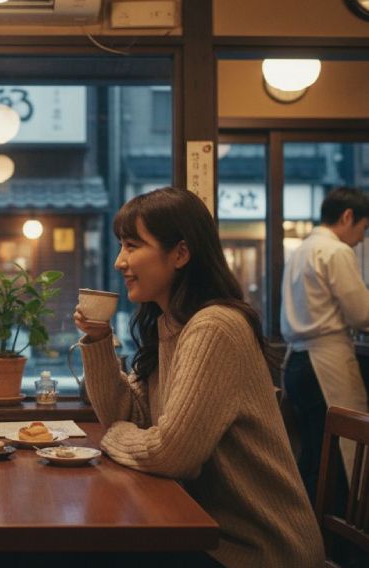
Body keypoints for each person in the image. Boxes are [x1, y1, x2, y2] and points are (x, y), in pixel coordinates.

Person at [74, 187, 323, 568]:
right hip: (208, 532)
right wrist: (97, 339)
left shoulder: (214, 327)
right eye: (121, 246)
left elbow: (172, 455)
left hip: (260, 550)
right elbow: (125, 413)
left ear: (181, 253)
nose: (120, 262)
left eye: (132, 246)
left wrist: (114, 436)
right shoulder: (172, 324)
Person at [281, 186, 369, 503]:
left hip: (297, 361)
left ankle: (308, 522)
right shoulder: (336, 251)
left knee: (313, 451)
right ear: (348, 216)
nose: (360, 239)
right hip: (323, 361)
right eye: (363, 228)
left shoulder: (301, 249)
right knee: (335, 454)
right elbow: (361, 314)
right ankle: (332, 525)